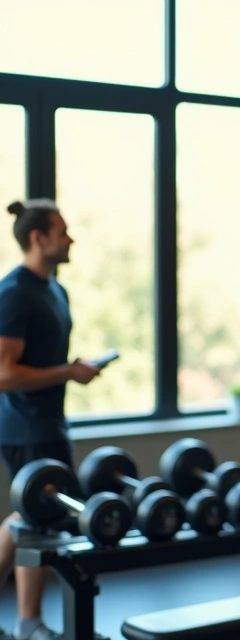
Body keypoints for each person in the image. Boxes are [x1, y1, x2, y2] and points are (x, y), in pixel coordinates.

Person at [0, 199, 100, 640]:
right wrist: (68, 372)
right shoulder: (14, 292)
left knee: (30, 521)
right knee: (32, 521)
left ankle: (27, 622)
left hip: (51, 423)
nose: (70, 237)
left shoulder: (54, 289)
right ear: (38, 238)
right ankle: (29, 622)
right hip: (24, 428)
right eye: (62, 231)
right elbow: (4, 374)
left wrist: (72, 370)